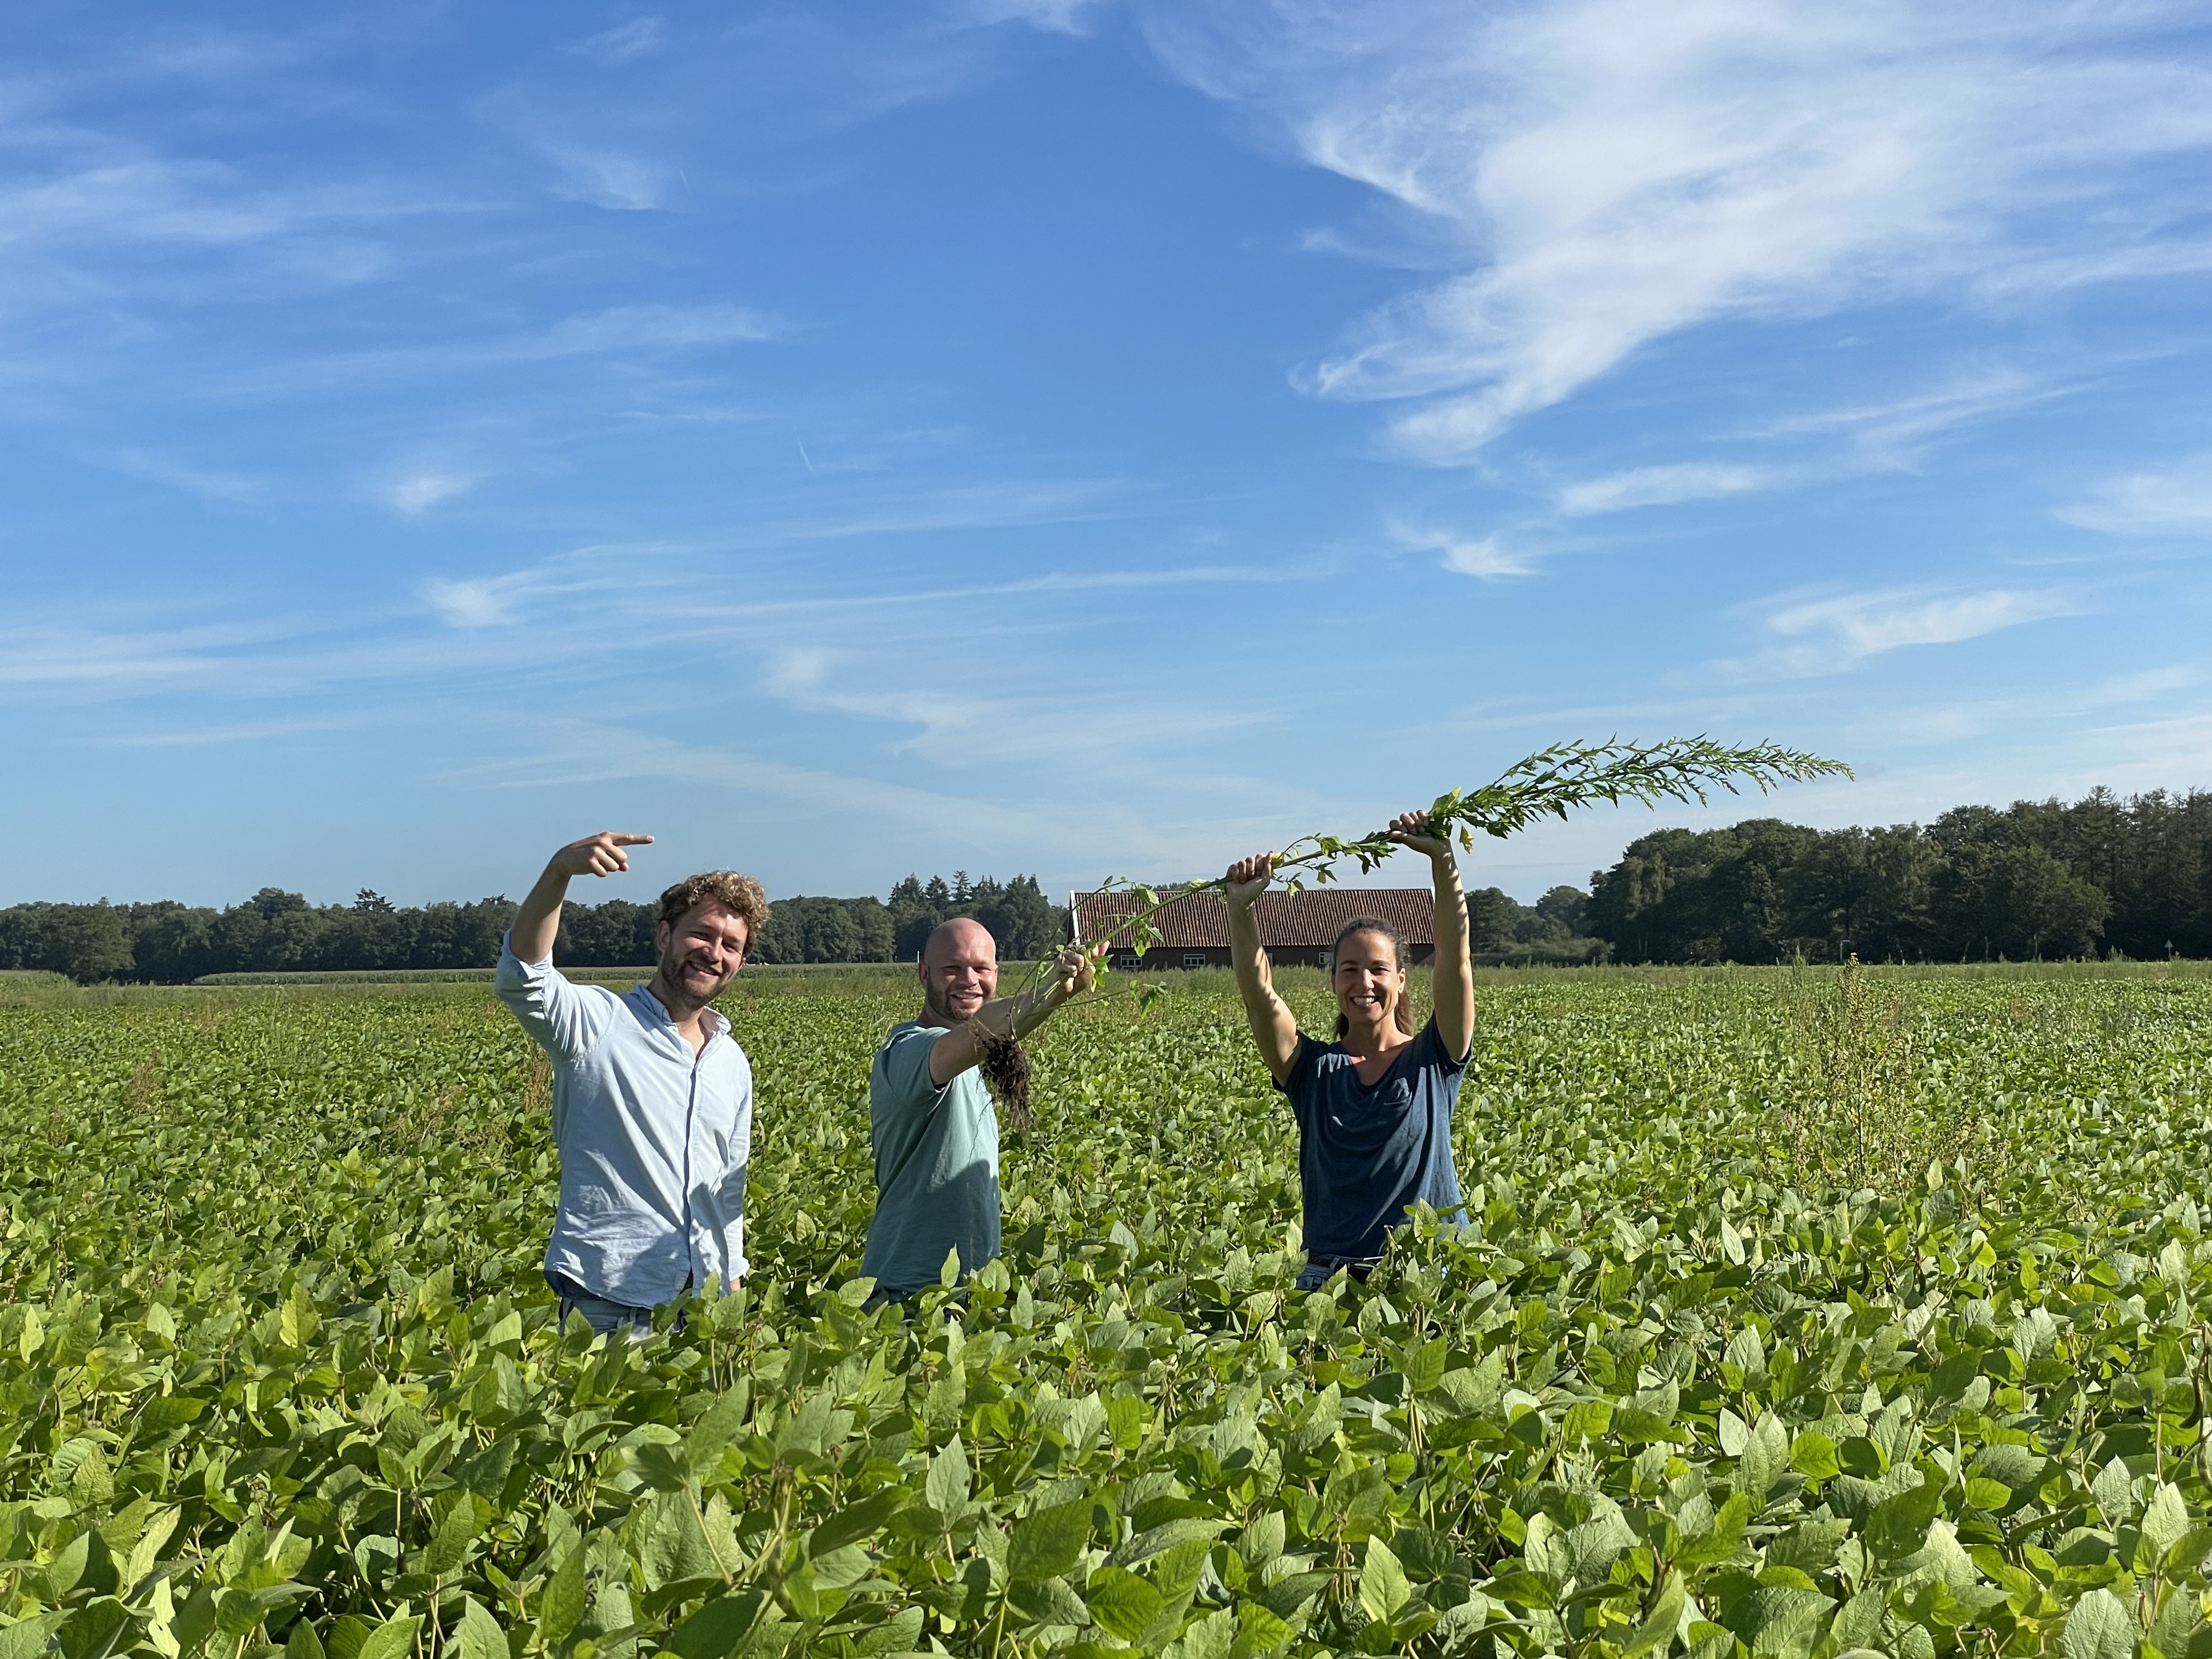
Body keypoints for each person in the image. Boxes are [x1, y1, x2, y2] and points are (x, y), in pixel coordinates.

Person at [494, 831, 770, 1339]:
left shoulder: (730, 1060)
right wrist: (559, 873)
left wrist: (732, 1299)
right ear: (665, 937)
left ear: (740, 963)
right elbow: (524, 977)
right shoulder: (599, 1023)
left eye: (730, 945)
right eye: (701, 934)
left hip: (702, 1310)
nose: (713, 952)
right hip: (607, 1302)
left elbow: (726, 1192)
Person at [1224, 810, 1476, 1291]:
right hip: (1328, 1275)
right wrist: (1240, 909)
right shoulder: (1313, 1071)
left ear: (1401, 981)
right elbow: (1260, 998)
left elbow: (1455, 957)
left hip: (1424, 1275)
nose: (1365, 982)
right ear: (1334, 982)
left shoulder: (1435, 1060)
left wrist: (1443, 861)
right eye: (1350, 970)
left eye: (1379, 969)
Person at [862, 918, 1098, 1302]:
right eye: (952, 968)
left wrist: (1062, 991)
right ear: (923, 974)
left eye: (981, 968)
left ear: (996, 974)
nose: (969, 980)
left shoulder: (978, 1060)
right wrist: (1052, 993)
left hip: (972, 1293)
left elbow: (989, 1035)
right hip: (907, 1292)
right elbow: (981, 1033)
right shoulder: (909, 1052)